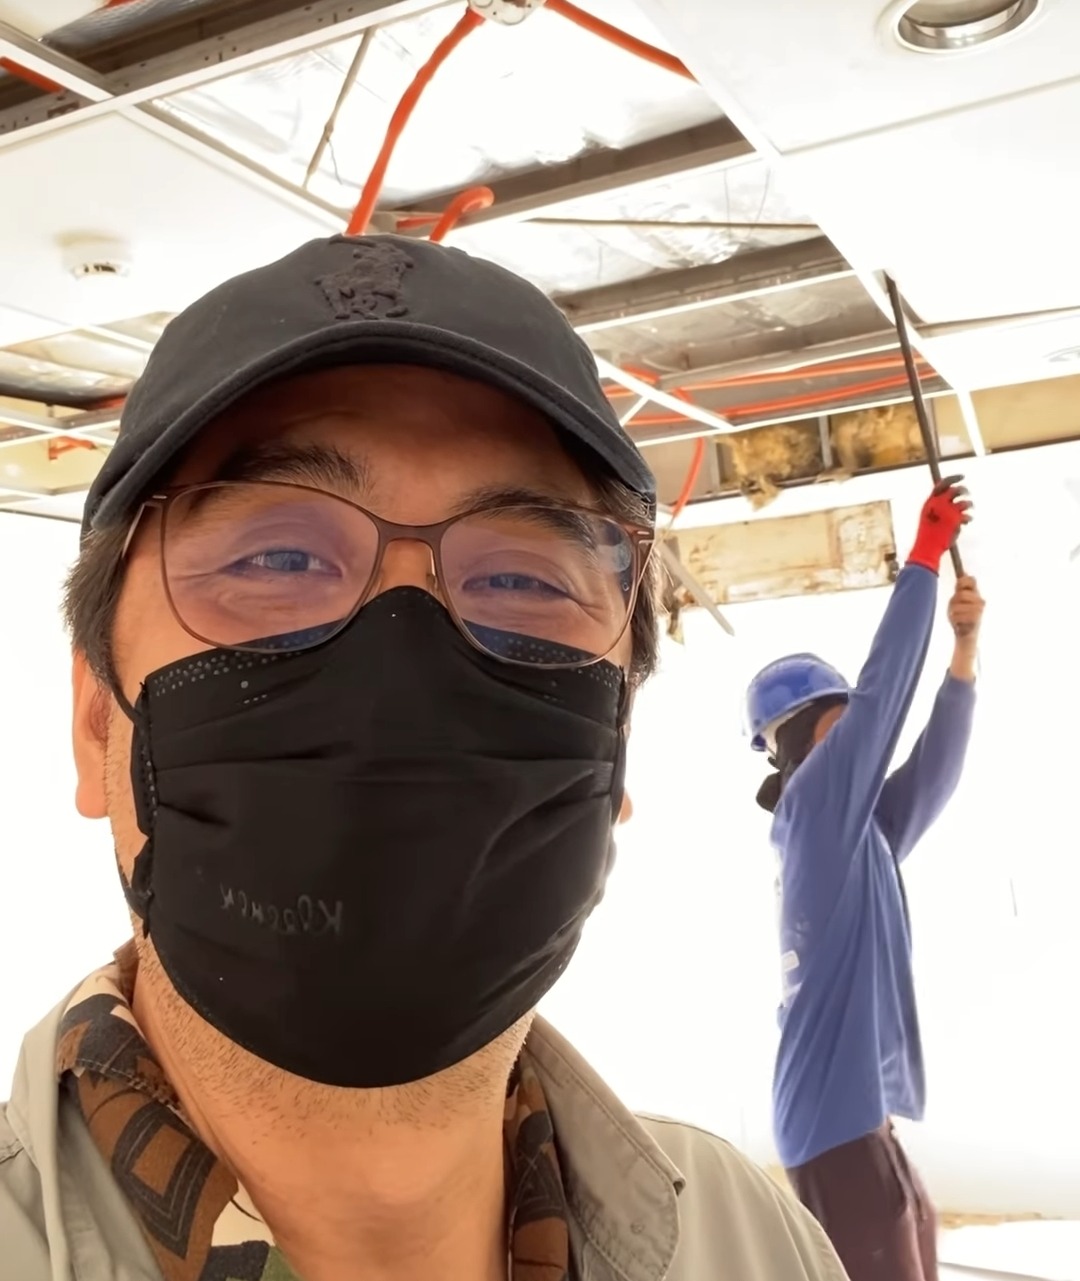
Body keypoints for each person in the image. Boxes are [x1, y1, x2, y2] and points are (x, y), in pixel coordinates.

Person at [0, 235, 848, 1281]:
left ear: (620, 743)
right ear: (96, 720)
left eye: (522, 580)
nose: (401, 661)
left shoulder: (756, 1244)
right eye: (278, 558)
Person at [744, 478, 985, 1281]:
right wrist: (922, 559)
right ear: (795, 747)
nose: (857, 743)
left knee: (919, 1229)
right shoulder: (812, 815)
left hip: (856, 1119)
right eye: (837, 726)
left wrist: (962, 653)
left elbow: (935, 773)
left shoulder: (859, 836)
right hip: (834, 1127)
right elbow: (883, 701)